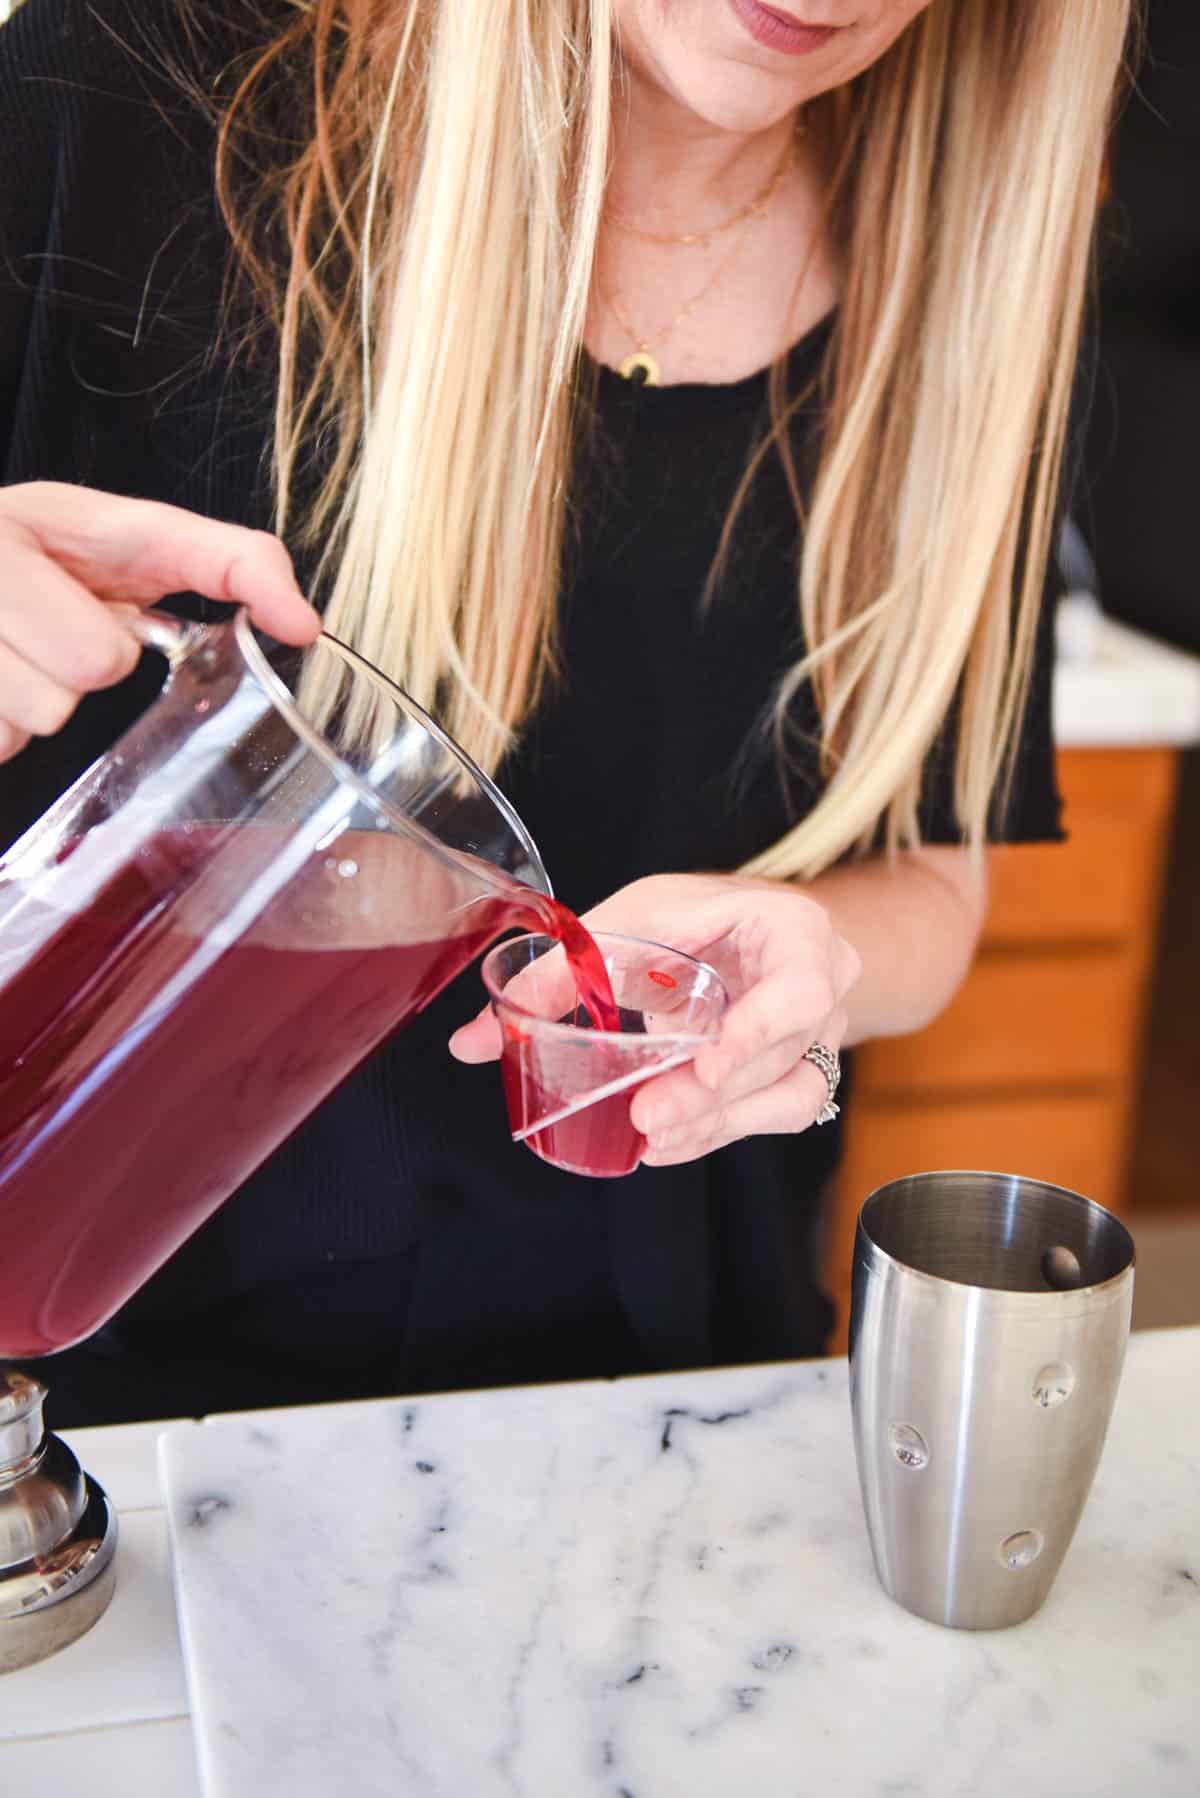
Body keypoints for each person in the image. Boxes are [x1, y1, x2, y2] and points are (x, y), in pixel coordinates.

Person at [0, 0, 1130, 1425]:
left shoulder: (979, 280)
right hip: (99, 1418)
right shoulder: (117, 99)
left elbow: (935, 877)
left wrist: (819, 953)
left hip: (671, 1406)